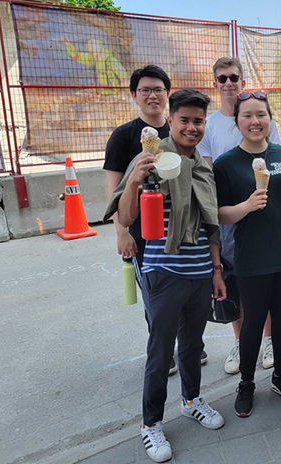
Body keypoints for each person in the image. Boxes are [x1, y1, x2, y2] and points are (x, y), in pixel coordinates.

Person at [104, 89, 227, 463]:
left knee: (192, 345)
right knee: (160, 351)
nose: (192, 127)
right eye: (184, 120)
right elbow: (125, 217)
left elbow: (211, 225)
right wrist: (138, 178)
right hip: (163, 270)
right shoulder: (152, 158)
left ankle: (191, 401)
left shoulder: (204, 166)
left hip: (199, 272)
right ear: (170, 121)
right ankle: (151, 423)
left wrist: (217, 270)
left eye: (198, 121)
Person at [104, 65, 207, 373]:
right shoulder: (123, 137)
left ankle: (190, 345)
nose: (152, 95)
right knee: (156, 296)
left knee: (189, 293)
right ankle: (163, 349)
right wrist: (122, 232)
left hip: (186, 234)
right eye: (145, 90)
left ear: (168, 96)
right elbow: (114, 190)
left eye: (159, 89)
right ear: (134, 95)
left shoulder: (181, 130)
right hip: (143, 231)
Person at [213, 91, 281, 417]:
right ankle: (247, 383)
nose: (255, 121)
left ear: (270, 119)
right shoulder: (226, 163)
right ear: (237, 121)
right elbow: (218, 213)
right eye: (247, 116)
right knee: (252, 322)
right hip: (250, 257)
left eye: (261, 115)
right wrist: (246, 206)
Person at [197, 57, 281, 376]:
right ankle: (240, 340)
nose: (228, 83)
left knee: (265, 278)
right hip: (230, 212)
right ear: (215, 84)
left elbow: (275, 161)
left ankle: (270, 339)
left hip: (262, 207)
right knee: (235, 280)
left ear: (243, 82)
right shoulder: (210, 124)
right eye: (222, 78)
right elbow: (207, 172)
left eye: (234, 77)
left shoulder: (261, 116)